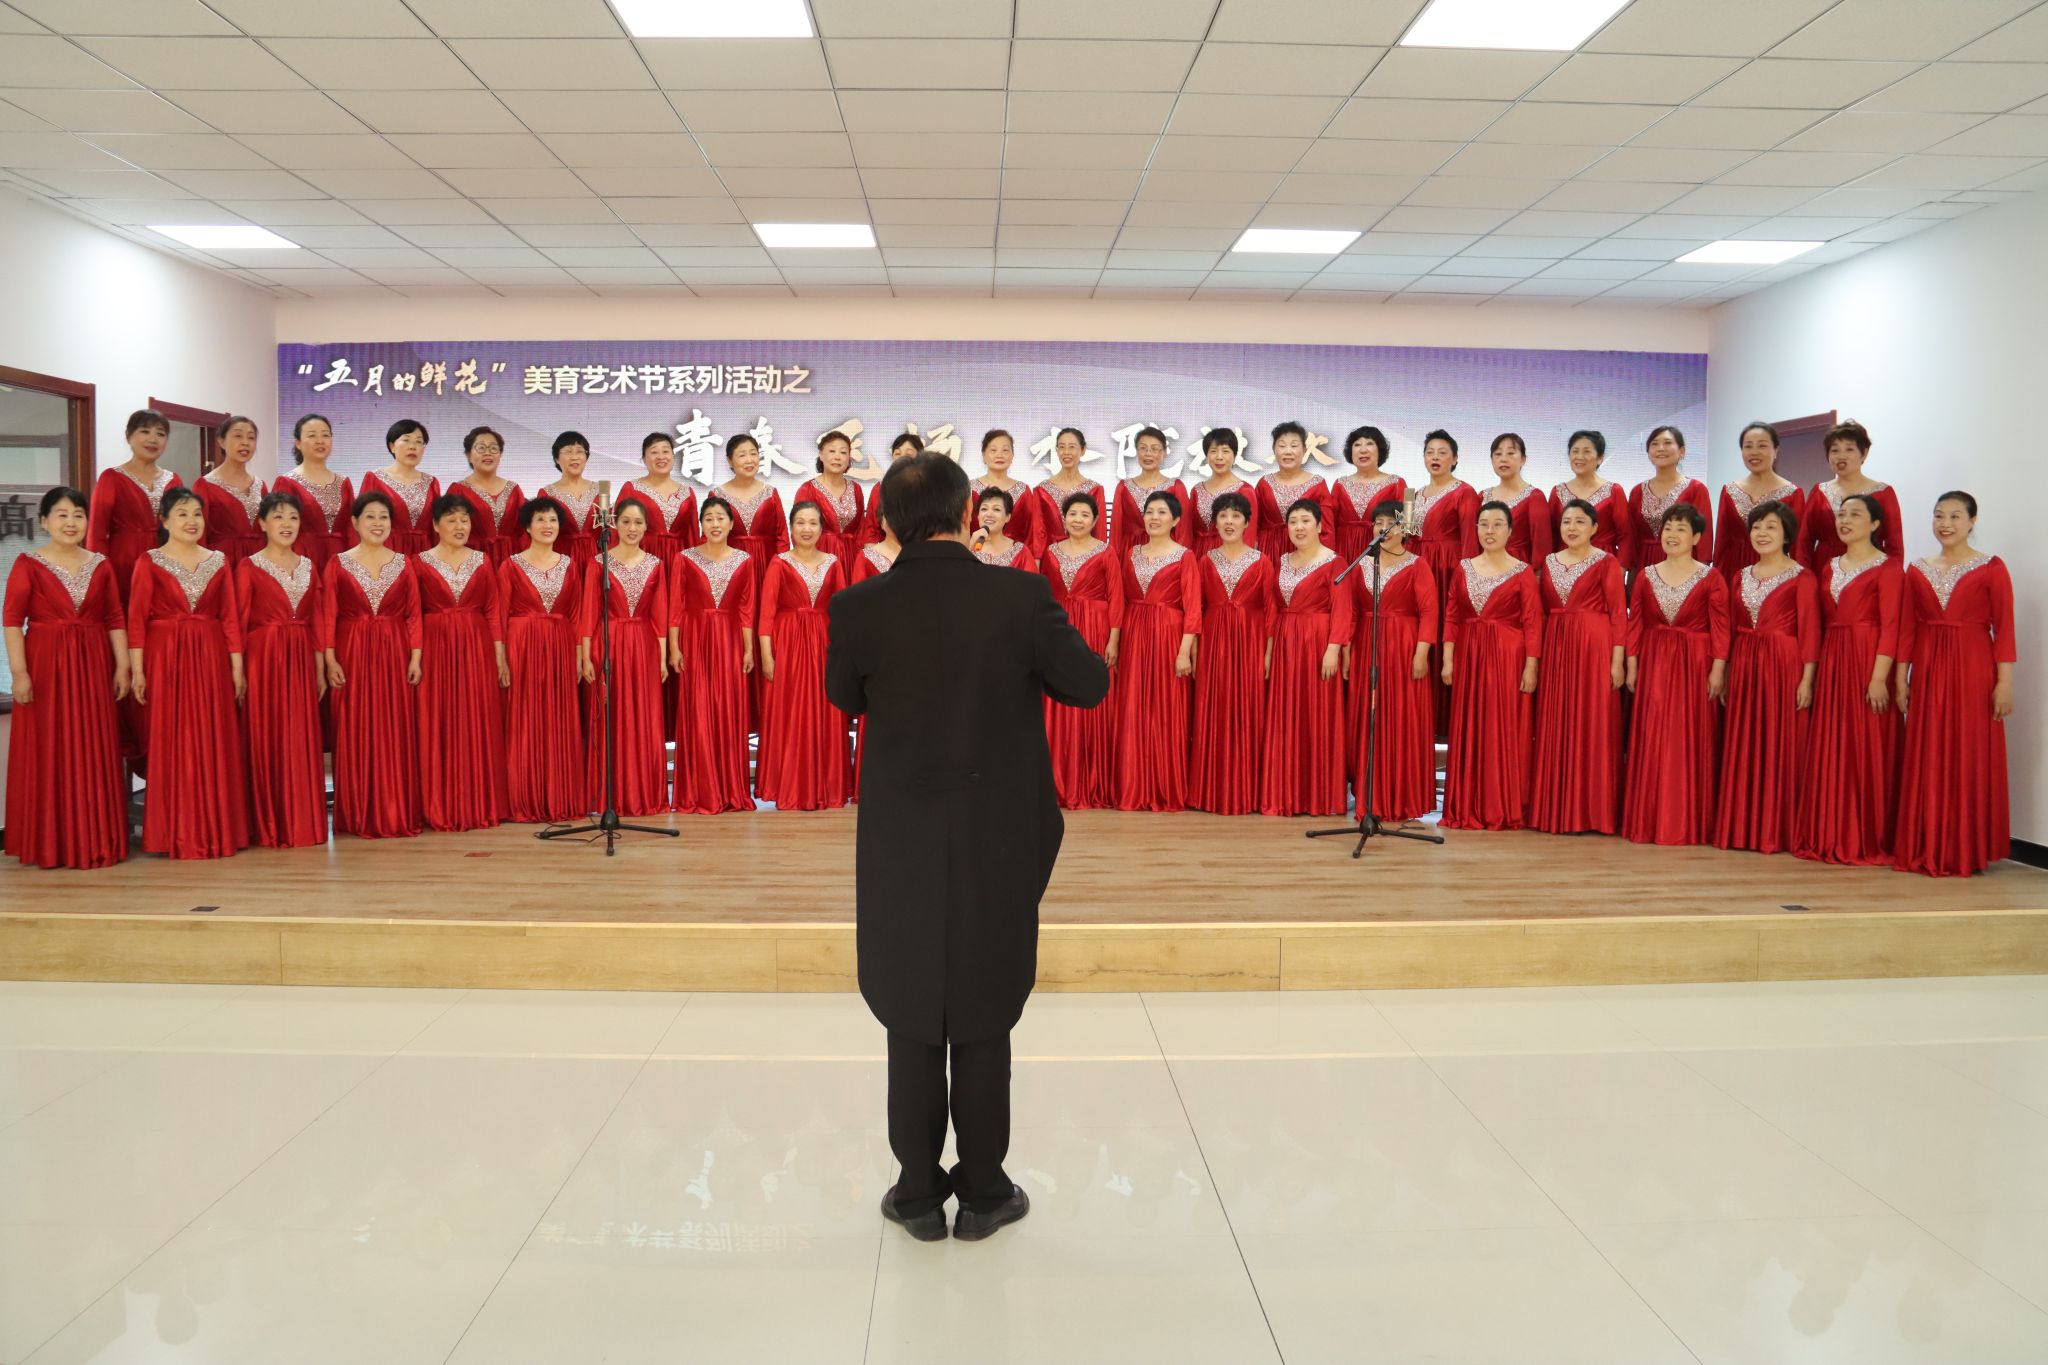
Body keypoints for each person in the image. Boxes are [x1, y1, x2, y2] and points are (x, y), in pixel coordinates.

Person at [825, 452, 1110, 1243]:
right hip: (1000, 834)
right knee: (985, 1006)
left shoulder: (857, 605)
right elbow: (1088, 684)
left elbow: (845, 694)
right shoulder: (1020, 595)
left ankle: (917, 1194)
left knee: (911, 1005)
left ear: (887, 522)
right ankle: (985, 1191)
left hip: (903, 840)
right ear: (967, 513)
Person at [4, 486, 129, 869]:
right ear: (44, 521)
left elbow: (114, 618)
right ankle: (50, 841)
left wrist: (123, 665)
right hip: (45, 665)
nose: (71, 522)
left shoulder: (101, 564)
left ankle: (95, 837)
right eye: (62, 514)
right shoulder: (28, 563)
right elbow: (12, 620)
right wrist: (19, 674)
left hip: (93, 663)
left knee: (94, 744)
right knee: (50, 744)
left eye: (78, 514)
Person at [1893, 491, 2016, 877]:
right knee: (1927, 747)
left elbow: (2005, 629)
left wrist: (2004, 683)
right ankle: (1926, 842)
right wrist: (1900, 677)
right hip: (1928, 668)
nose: (1945, 524)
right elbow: (1906, 628)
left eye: (1955, 516)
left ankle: (1965, 845)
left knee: (1968, 749)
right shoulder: (1916, 570)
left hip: (1973, 668)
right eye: (1939, 516)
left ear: (1972, 521)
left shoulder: (1992, 568)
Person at [129, 486, 250, 859]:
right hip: (165, 658)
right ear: (164, 521)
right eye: (182, 513)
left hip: (212, 656)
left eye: (197, 513)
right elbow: (136, 620)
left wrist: (237, 667)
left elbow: (230, 618)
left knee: (214, 735)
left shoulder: (218, 561)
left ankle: (216, 827)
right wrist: (138, 671)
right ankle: (173, 832)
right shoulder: (149, 561)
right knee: (172, 736)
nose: (192, 521)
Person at [1792, 493, 1902, 867]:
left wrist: (1880, 677)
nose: (1845, 520)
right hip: (1834, 658)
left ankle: (1865, 835)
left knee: (1865, 742)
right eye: (1841, 514)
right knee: (1832, 741)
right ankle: (1830, 830)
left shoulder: (1889, 568)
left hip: (1869, 659)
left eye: (1855, 514)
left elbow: (1891, 626)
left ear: (1875, 524)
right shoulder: (1828, 567)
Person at [1714, 501, 1818, 854]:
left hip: (1782, 664)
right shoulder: (1739, 575)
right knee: (1743, 741)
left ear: (1787, 535)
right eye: (1757, 527)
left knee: (1779, 741)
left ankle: (1776, 829)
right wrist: (1727, 670)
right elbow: (1729, 628)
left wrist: (1807, 679)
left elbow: (1810, 632)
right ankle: (1742, 826)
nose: (1761, 533)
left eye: (1771, 527)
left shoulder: (1802, 576)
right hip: (1745, 662)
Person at [1622, 504, 1729, 846]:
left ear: (1696, 537)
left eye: (1681, 529)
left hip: (1694, 664)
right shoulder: (1646, 575)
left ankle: (1685, 820)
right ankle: (1649, 818)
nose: (1672, 535)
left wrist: (1718, 669)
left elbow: (1720, 627)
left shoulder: (1711, 577)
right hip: (1654, 660)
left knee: (1688, 736)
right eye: (1668, 528)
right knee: (1653, 734)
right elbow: (1635, 623)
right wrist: (1632, 664)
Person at [320, 490, 423, 840]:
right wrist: (330, 658)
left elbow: (413, 614)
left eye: (383, 517)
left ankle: (396, 809)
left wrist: (416, 656)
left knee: (395, 726)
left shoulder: (403, 562)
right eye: (370, 517)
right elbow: (328, 614)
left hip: (395, 651)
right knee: (355, 725)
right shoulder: (338, 563)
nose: (377, 523)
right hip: (352, 650)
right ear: (354, 522)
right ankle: (358, 812)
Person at [1440, 502, 1542, 831]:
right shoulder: (1464, 568)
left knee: (1503, 727)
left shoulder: (1523, 571)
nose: (1490, 531)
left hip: (1508, 658)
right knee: (1470, 725)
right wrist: (1448, 658)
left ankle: (1502, 804)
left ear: (1510, 531)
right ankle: (1467, 803)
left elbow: (1533, 623)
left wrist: (1531, 665)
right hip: (1470, 655)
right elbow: (1452, 616)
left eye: (1498, 524)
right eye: (1483, 524)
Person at [1527, 499, 1626, 835]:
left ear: (1595, 528)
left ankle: (1593, 811)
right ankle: (1555, 808)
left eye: (1580, 521)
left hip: (1594, 648)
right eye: (1567, 521)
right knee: (1556, 721)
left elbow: (1618, 614)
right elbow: (1540, 613)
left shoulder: (1607, 562)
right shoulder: (1549, 562)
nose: (1571, 528)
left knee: (1593, 721)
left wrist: (1617, 660)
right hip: (1557, 647)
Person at [237, 491, 327, 850]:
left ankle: (302, 820)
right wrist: (239, 670)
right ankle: (270, 821)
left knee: (301, 733)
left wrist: (319, 667)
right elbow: (238, 623)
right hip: (264, 658)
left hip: (301, 657)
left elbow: (317, 619)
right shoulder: (248, 566)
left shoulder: (308, 566)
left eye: (293, 517)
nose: (286, 524)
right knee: (268, 733)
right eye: (277, 517)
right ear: (262, 524)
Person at [1339, 499, 1437, 825]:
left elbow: (1429, 612)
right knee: (1367, 718)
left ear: (1404, 529)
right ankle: (1369, 796)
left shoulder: (1418, 565)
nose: (1384, 529)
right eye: (1378, 523)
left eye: (1391, 523)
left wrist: (1422, 652)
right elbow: (1352, 612)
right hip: (1367, 643)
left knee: (1400, 715)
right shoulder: (1362, 564)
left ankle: (1400, 795)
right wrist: (1346, 649)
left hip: (1404, 646)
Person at [416, 494, 509, 833]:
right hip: (436, 648)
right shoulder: (418, 562)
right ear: (435, 525)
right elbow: (413, 613)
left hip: (476, 645)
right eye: (452, 520)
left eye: (465, 520)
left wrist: (499, 656)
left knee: (476, 717)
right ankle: (441, 803)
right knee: (440, 719)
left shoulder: (483, 561)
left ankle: (480, 801)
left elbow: (493, 610)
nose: (459, 526)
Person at [498, 496, 587, 824]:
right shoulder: (510, 565)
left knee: (560, 718)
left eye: (552, 520)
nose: (547, 526)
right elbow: (499, 615)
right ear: (527, 526)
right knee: (525, 719)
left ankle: (560, 796)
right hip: (522, 647)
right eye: (540, 520)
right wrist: (501, 658)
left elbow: (577, 614)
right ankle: (525, 797)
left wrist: (579, 655)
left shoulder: (570, 564)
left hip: (561, 646)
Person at [757, 502, 851, 810]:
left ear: (821, 529)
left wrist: (843, 652)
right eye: (800, 523)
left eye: (813, 523)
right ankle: (790, 787)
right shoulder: (779, 562)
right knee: (790, 713)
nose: (807, 529)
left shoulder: (833, 563)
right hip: (788, 646)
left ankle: (827, 786)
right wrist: (767, 656)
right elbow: (766, 615)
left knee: (826, 709)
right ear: (791, 527)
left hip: (824, 644)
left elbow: (842, 612)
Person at [579, 496, 668, 818]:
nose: (632, 528)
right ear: (614, 524)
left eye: (638, 523)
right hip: (609, 643)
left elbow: (659, 615)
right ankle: (608, 796)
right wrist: (586, 655)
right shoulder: (598, 562)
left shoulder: (655, 564)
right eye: (626, 522)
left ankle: (642, 793)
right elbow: (589, 612)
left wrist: (662, 658)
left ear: (646, 528)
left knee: (644, 717)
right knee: (610, 717)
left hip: (643, 645)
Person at [1112, 490, 1201, 811]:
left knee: (1167, 709)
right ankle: (1133, 787)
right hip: (1135, 634)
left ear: (1175, 520)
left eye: (1162, 512)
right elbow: (1122, 600)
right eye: (1149, 511)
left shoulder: (1185, 556)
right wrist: (1117, 641)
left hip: (1168, 636)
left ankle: (1166, 788)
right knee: (1133, 707)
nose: (1154, 517)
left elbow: (1193, 608)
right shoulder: (1131, 554)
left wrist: (1185, 651)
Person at [1260, 499, 1349, 816]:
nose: (1299, 527)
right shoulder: (1282, 560)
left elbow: (1342, 609)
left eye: (1305, 521)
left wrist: (1333, 648)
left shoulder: (1335, 562)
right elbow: (1273, 609)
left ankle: (1319, 796)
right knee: (1285, 715)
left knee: (1317, 715)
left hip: (1317, 643)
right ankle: (1285, 793)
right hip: (1286, 642)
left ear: (1320, 526)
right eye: (1293, 522)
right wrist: (1269, 651)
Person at [670, 495, 756, 815]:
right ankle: (699, 789)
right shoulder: (684, 558)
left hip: (731, 640)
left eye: (721, 518)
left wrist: (748, 648)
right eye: (709, 518)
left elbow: (747, 609)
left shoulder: (745, 560)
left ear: (732, 524)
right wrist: (674, 647)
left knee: (729, 708)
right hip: (695, 639)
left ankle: (731, 788)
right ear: (701, 525)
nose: (715, 524)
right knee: (698, 709)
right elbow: (676, 606)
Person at [1188, 492, 1270, 815]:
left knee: (1248, 709)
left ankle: (1247, 792)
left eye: (1236, 516)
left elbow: (1271, 610)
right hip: (1214, 642)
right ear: (1215, 523)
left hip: (1250, 641)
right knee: (1213, 708)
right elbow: (1197, 608)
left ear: (1247, 522)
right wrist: (1194, 650)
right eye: (1223, 516)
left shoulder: (1262, 561)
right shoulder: (1204, 560)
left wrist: (1268, 653)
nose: (1229, 522)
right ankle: (1210, 791)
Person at [1040, 492, 1121, 810]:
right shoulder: (1050, 552)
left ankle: (1091, 782)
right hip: (1059, 629)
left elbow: (1116, 597)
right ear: (1064, 518)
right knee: (1057, 703)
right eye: (1072, 514)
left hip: (1095, 629)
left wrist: (1113, 639)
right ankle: (1056, 782)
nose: (1078, 520)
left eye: (1085, 515)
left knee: (1091, 700)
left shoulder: (1106, 552)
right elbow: (1044, 596)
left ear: (1096, 520)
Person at [1409, 429, 1477, 729]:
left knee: (1446, 633)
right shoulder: (1413, 495)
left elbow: (1470, 542)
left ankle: (1447, 720)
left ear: (1455, 458)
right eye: (1430, 452)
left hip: (1449, 571)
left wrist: (1464, 580)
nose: (1435, 457)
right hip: (1420, 569)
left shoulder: (1465, 492)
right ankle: (1424, 714)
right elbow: (1408, 538)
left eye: (1442, 452)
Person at [88, 409, 179, 602]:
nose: (153, 439)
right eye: (145, 431)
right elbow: (97, 533)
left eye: (160, 434)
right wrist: (99, 574)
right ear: (129, 436)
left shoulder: (174, 480)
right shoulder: (111, 478)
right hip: (124, 563)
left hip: (166, 562)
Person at [1801, 419, 1904, 565]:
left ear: (1864, 453)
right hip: (1823, 567)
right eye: (1835, 450)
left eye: (1849, 449)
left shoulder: (1883, 493)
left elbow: (1894, 544)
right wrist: (1805, 576)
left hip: (1870, 568)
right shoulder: (1819, 492)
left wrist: (1892, 574)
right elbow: (1804, 541)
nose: (1841, 456)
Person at [1715, 421, 1805, 580]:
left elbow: (1798, 546)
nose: (1754, 452)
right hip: (1733, 572)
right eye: (1748, 446)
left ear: (1776, 450)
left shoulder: (1793, 493)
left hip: (1776, 573)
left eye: (1762, 446)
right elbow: (1721, 545)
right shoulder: (1729, 491)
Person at [1625, 425, 1712, 573]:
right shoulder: (1637, 492)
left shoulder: (1696, 489)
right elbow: (1631, 539)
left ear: (1681, 451)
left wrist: (1701, 575)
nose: (1660, 448)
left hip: (1683, 565)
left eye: (1667, 443)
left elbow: (1704, 538)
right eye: (1654, 444)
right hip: (1643, 566)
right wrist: (1632, 575)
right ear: (1648, 452)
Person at [276, 413, 353, 573]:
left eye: (325, 435)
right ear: (298, 443)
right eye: (312, 435)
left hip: (342, 561)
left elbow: (352, 529)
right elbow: (279, 529)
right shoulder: (287, 482)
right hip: (303, 561)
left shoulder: (344, 483)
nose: (320, 441)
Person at [1464, 432, 1551, 565]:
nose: (1503, 459)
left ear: (1523, 459)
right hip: (1485, 568)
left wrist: (1536, 573)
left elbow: (1542, 545)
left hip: (1519, 568)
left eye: (1510, 453)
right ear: (1492, 460)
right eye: (1498, 454)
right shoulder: (1482, 496)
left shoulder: (1534, 497)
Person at [357, 419, 440, 556]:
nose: (412, 446)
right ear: (392, 446)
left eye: (419, 442)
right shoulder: (375, 479)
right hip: (387, 554)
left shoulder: (431, 483)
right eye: (406, 440)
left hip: (424, 556)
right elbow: (363, 524)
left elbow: (436, 530)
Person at [1109, 425, 1192, 560]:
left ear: (1164, 453)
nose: (1148, 453)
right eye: (1143, 448)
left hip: (1166, 554)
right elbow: (1116, 532)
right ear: (1137, 452)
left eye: (1154, 449)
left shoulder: (1176, 487)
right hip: (1129, 554)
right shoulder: (1123, 487)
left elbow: (1184, 531)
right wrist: (1114, 562)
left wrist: (1180, 562)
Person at [1252, 421, 1332, 559]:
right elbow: (1252, 526)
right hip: (1269, 552)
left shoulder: (1318, 485)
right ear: (1274, 450)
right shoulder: (1264, 484)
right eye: (1282, 446)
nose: (1288, 451)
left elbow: (1327, 530)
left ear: (1304, 450)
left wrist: (1324, 561)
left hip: (1306, 554)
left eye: (1294, 446)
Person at [619, 431, 699, 567]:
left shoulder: (688, 493)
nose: (661, 457)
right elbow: (618, 531)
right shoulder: (631, 489)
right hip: (643, 561)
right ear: (644, 459)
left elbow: (693, 537)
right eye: (654, 452)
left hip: (679, 564)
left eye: (665, 451)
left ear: (673, 456)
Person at [1329, 424, 1405, 566]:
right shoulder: (1339, 484)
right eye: (1357, 445)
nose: (1363, 450)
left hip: (1382, 552)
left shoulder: (1397, 483)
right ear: (1350, 452)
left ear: (1380, 450)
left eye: (1369, 443)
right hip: (1344, 552)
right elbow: (1329, 525)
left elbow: (1406, 528)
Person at [450, 425, 527, 567]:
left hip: (512, 562)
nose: (488, 453)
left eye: (493, 448)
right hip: (474, 563)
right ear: (468, 455)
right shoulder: (458, 490)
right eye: (481, 448)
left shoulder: (514, 490)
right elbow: (450, 533)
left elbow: (525, 532)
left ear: (500, 454)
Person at [197, 415, 267, 566]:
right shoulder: (205, 485)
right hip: (223, 563)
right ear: (221, 442)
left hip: (259, 563)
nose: (245, 442)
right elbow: (199, 535)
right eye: (238, 436)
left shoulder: (260, 485)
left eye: (251, 437)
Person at [798, 429, 866, 574]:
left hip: (852, 561)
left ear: (849, 457)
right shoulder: (807, 489)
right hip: (819, 562)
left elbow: (862, 530)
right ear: (821, 455)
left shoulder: (856, 489)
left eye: (843, 452)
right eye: (832, 451)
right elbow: (800, 531)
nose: (837, 457)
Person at [1031, 427, 1105, 559]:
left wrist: (1099, 561)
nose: (1066, 452)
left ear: (1082, 450)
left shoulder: (1095, 490)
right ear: (1056, 450)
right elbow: (1038, 534)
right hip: (1051, 559)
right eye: (1062, 447)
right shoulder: (1041, 490)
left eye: (1072, 447)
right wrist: (1037, 563)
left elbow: (1099, 533)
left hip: (1086, 559)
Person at [1548, 430, 1622, 559]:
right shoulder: (1558, 492)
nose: (1579, 456)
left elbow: (1626, 535)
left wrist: (1620, 567)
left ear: (1600, 458)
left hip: (1603, 560)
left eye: (1586, 451)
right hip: (1566, 561)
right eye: (1575, 451)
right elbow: (1551, 535)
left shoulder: (1613, 491)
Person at [970, 428, 1041, 554]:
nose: (999, 455)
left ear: (1012, 456)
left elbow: (1032, 530)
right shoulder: (969, 489)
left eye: (1005, 450)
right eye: (993, 450)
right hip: (977, 556)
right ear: (984, 455)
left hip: (1015, 559)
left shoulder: (1023, 491)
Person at [540, 430, 603, 569]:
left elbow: (609, 531)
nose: (575, 457)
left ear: (586, 457)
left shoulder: (601, 490)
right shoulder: (547, 493)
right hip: (562, 563)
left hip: (597, 561)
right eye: (568, 452)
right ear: (557, 458)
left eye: (580, 451)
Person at [1189, 428, 1255, 559]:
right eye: (1213, 451)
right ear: (1206, 455)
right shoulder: (1196, 490)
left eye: (1225, 451)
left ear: (1234, 455)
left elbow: (1249, 535)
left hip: (1231, 556)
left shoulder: (1245, 490)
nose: (1219, 457)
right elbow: (1189, 531)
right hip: (1199, 555)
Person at [969, 487, 1037, 573]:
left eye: (996, 509)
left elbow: (1033, 580)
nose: (989, 514)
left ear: (1007, 517)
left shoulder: (1021, 552)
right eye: (984, 509)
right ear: (978, 516)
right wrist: (969, 548)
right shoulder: (969, 547)